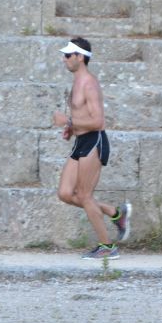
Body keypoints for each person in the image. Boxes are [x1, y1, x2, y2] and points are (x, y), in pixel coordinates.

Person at [52, 37, 131, 259]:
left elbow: (98, 122)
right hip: (81, 142)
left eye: (68, 55)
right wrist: (71, 129)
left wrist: (68, 122)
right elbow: (82, 118)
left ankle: (107, 248)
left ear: (80, 57)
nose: (64, 59)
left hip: (94, 142)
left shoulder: (89, 84)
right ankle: (114, 213)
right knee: (65, 193)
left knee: (85, 196)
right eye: (64, 55)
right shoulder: (76, 83)